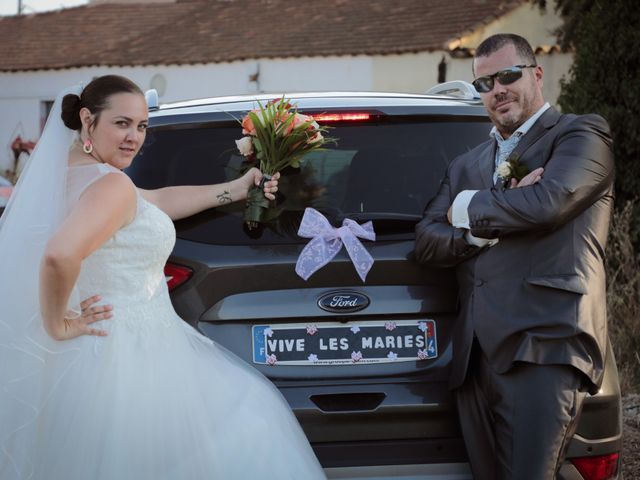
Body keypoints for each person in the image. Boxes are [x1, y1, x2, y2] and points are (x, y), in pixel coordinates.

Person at [0, 75, 326, 479]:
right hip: (128, 354)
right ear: (87, 119)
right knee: (245, 425)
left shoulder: (72, 176)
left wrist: (238, 188)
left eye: (141, 127)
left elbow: (155, 201)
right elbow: (59, 255)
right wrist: (59, 323)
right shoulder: (111, 185)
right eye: (121, 123)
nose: (133, 138)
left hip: (86, 359)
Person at [414, 34, 614, 479]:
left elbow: (549, 201)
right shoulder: (466, 164)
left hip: (545, 346)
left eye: (507, 76)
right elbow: (427, 240)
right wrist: (482, 233)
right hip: (474, 358)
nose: (496, 90)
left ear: (537, 74)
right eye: (485, 83)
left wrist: (465, 208)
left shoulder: (579, 134)